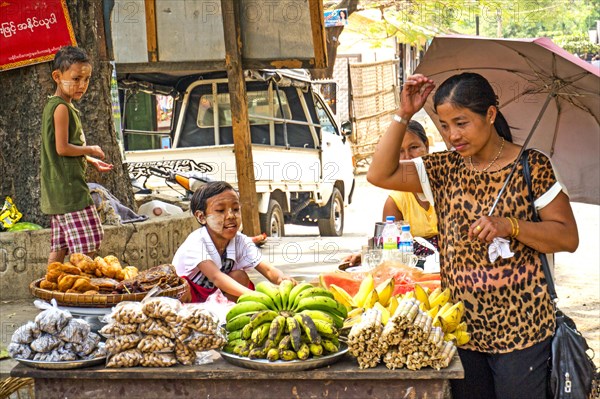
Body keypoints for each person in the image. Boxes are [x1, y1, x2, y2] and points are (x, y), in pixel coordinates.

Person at [367, 72, 578, 398]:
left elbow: (567, 237)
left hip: (522, 332)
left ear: (490, 115)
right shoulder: (443, 168)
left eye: (461, 123)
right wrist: (404, 114)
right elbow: (379, 173)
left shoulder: (531, 166)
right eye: (445, 125)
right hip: (462, 330)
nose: (452, 135)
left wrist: (511, 225)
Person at [41, 46, 113, 265]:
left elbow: (63, 150)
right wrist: (89, 149)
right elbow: (62, 148)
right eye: (75, 78)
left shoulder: (57, 105)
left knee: (60, 246)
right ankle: (75, 292)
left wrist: (89, 160)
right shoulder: (61, 108)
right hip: (70, 190)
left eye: (87, 79)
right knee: (88, 242)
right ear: (57, 76)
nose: (82, 85)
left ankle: (51, 287)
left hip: (58, 191)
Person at [172, 181, 295, 303]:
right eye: (220, 210)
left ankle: (230, 315)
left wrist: (282, 279)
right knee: (182, 290)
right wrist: (256, 296)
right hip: (190, 298)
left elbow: (268, 270)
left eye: (236, 209)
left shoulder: (241, 241)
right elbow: (216, 277)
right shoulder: (197, 242)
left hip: (216, 295)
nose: (231, 216)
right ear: (201, 217)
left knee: (239, 276)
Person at [343, 120, 439, 267]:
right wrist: (367, 255)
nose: (407, 157)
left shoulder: (448, 185)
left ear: (426, 146)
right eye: (400, 151)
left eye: (414, 147)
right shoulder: (395, 201)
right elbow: (390, 249)